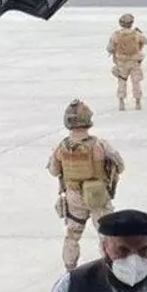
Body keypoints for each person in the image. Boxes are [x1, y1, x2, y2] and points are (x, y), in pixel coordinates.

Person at [48, 100, 123, 272]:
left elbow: (54, 170)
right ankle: (110, 269)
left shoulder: (62, 147)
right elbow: (120, 165)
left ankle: (70, 269)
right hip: (98, 195)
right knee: (106, 235)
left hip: (74, 196)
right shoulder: (99, 145)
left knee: (72, 235)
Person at [107, 13, 147, 111]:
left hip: (121, 62)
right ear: (131, 23)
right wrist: (141, 33)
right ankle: (138, 102)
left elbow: (109, 48)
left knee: (122, 82)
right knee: (136, 82)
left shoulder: (116, 34)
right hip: (135, 62)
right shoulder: (136, 34)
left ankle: (121, 102)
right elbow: (146, 41)